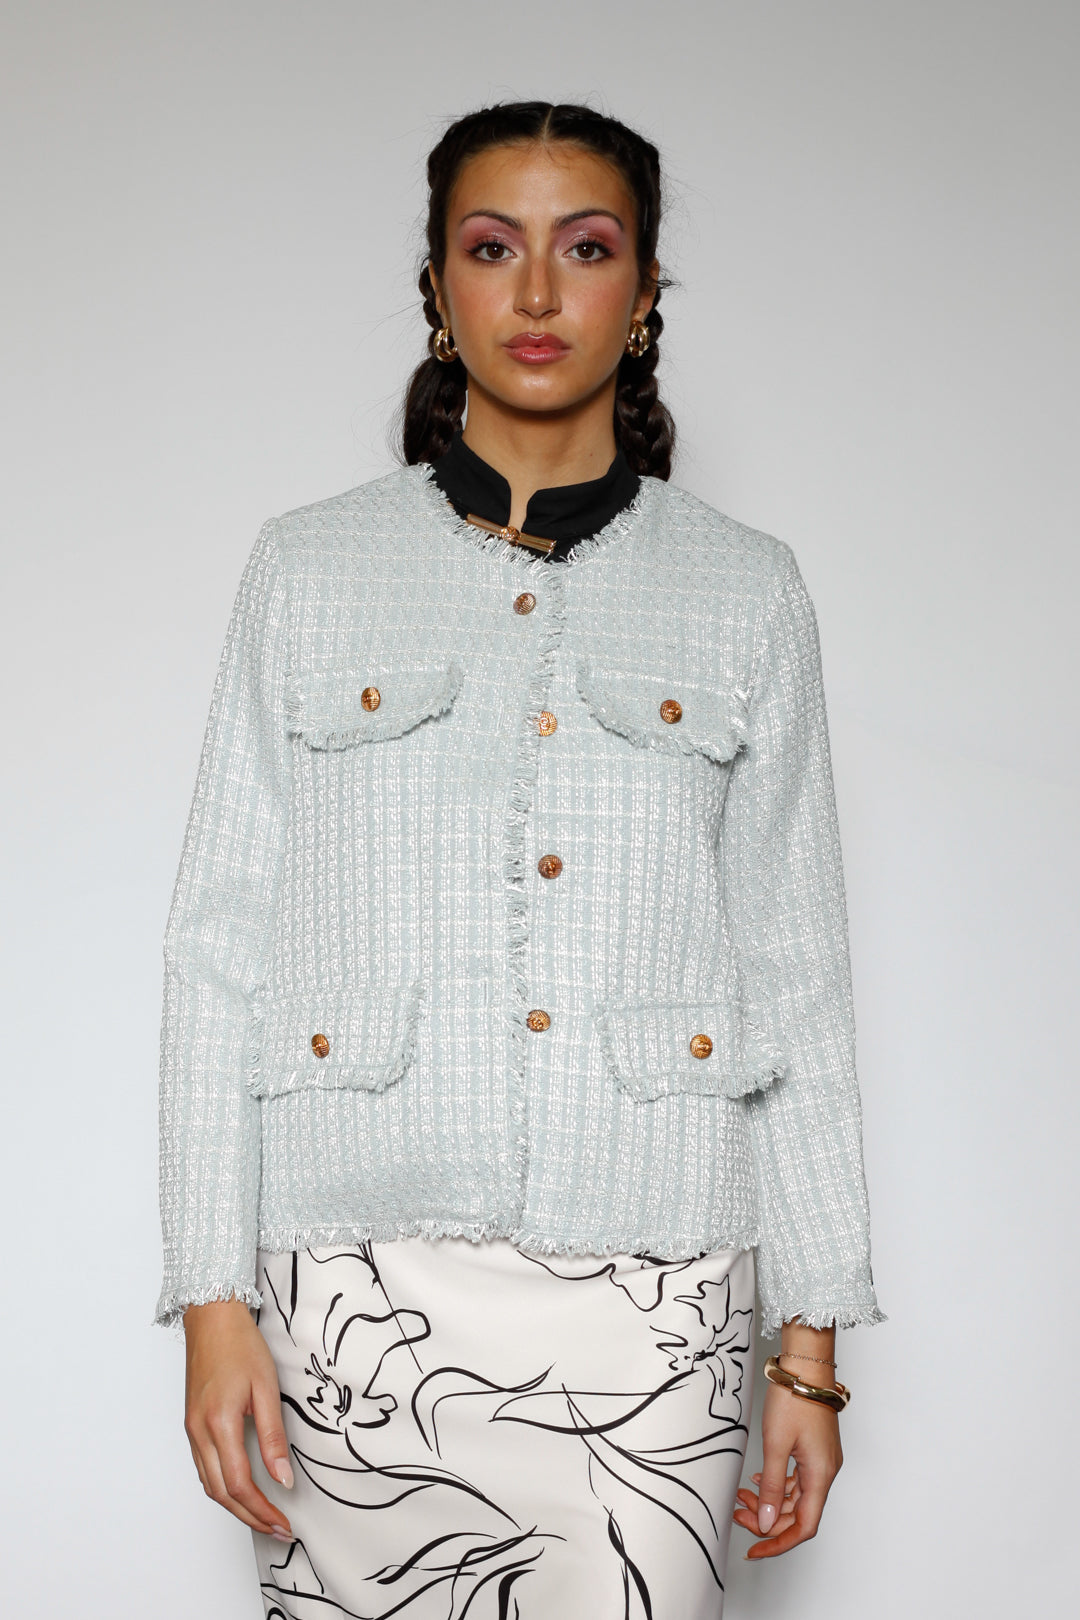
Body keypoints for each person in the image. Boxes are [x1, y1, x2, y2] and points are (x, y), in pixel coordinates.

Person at [158, 101, 883, 1617]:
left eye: (587, 249)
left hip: (660, 1290)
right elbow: (219, 949)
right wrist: (213, 1299)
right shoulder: (308, 567)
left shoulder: (747, 592)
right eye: (493, 249)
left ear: (647, 288)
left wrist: (808, 1350)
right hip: (354, 1286)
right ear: (439, 285)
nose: (539, 293)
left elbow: (798, 973)